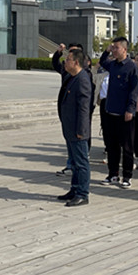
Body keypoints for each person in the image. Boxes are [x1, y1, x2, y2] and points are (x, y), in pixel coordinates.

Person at [99, 37, 138, 189]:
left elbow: (134, 90)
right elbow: (103, 62)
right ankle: (113, 174)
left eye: (116, 48)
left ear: (124, 49)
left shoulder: (131, 67)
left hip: (125, 114)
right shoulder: (113, 64)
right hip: (111, 111)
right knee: (111, 146)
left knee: (127, 147)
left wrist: (130, 109)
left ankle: (127, 176)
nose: (114, 50)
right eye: (113, 48)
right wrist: (106, 51)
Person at [56, 49, 92, 207]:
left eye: (68, 59)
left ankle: (83, 194)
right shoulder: (72, 77)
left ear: (76, 62)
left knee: (81, 162)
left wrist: (81, 131)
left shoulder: (82, 79)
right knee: (75, 163)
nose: (65, 62)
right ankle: (75, 189)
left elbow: (84, 108)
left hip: (78, 130)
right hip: (69, 127)